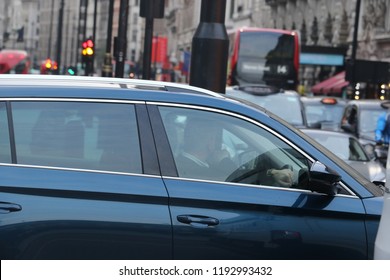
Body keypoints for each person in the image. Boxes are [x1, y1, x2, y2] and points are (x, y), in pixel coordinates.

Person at [175, 117, 294, 187]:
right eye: (217, 138)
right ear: (211, 141)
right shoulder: (198, 170)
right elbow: (241, 180)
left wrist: (272, 172)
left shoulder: (184, 164)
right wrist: (224, 160)